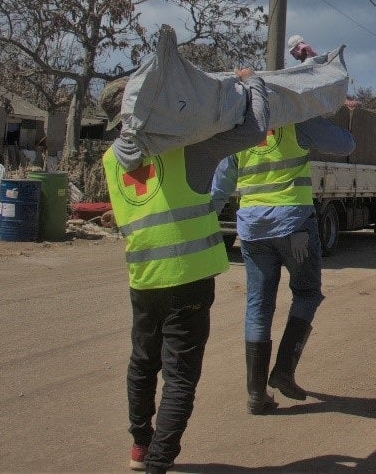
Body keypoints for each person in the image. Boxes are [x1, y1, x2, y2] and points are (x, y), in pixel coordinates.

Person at [101, 67, 273, 474]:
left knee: (143, 363)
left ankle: (141, 449)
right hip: (189, 277)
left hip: (144, 276)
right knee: (180, 374)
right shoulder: (185, 147)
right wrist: (253, 84)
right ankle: (160, 461)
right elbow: (255, 130)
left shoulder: (109, 159)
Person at [210, 114, 354, 414]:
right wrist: (315, 113)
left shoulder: (238, 131)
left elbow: (219, 188)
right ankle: (284, 371)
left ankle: (255, 394)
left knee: (258, 306)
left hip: (252, 230)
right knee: (306, 293)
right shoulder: (296, 124)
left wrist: (199, 221)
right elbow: (345, 144)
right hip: (294, 229)